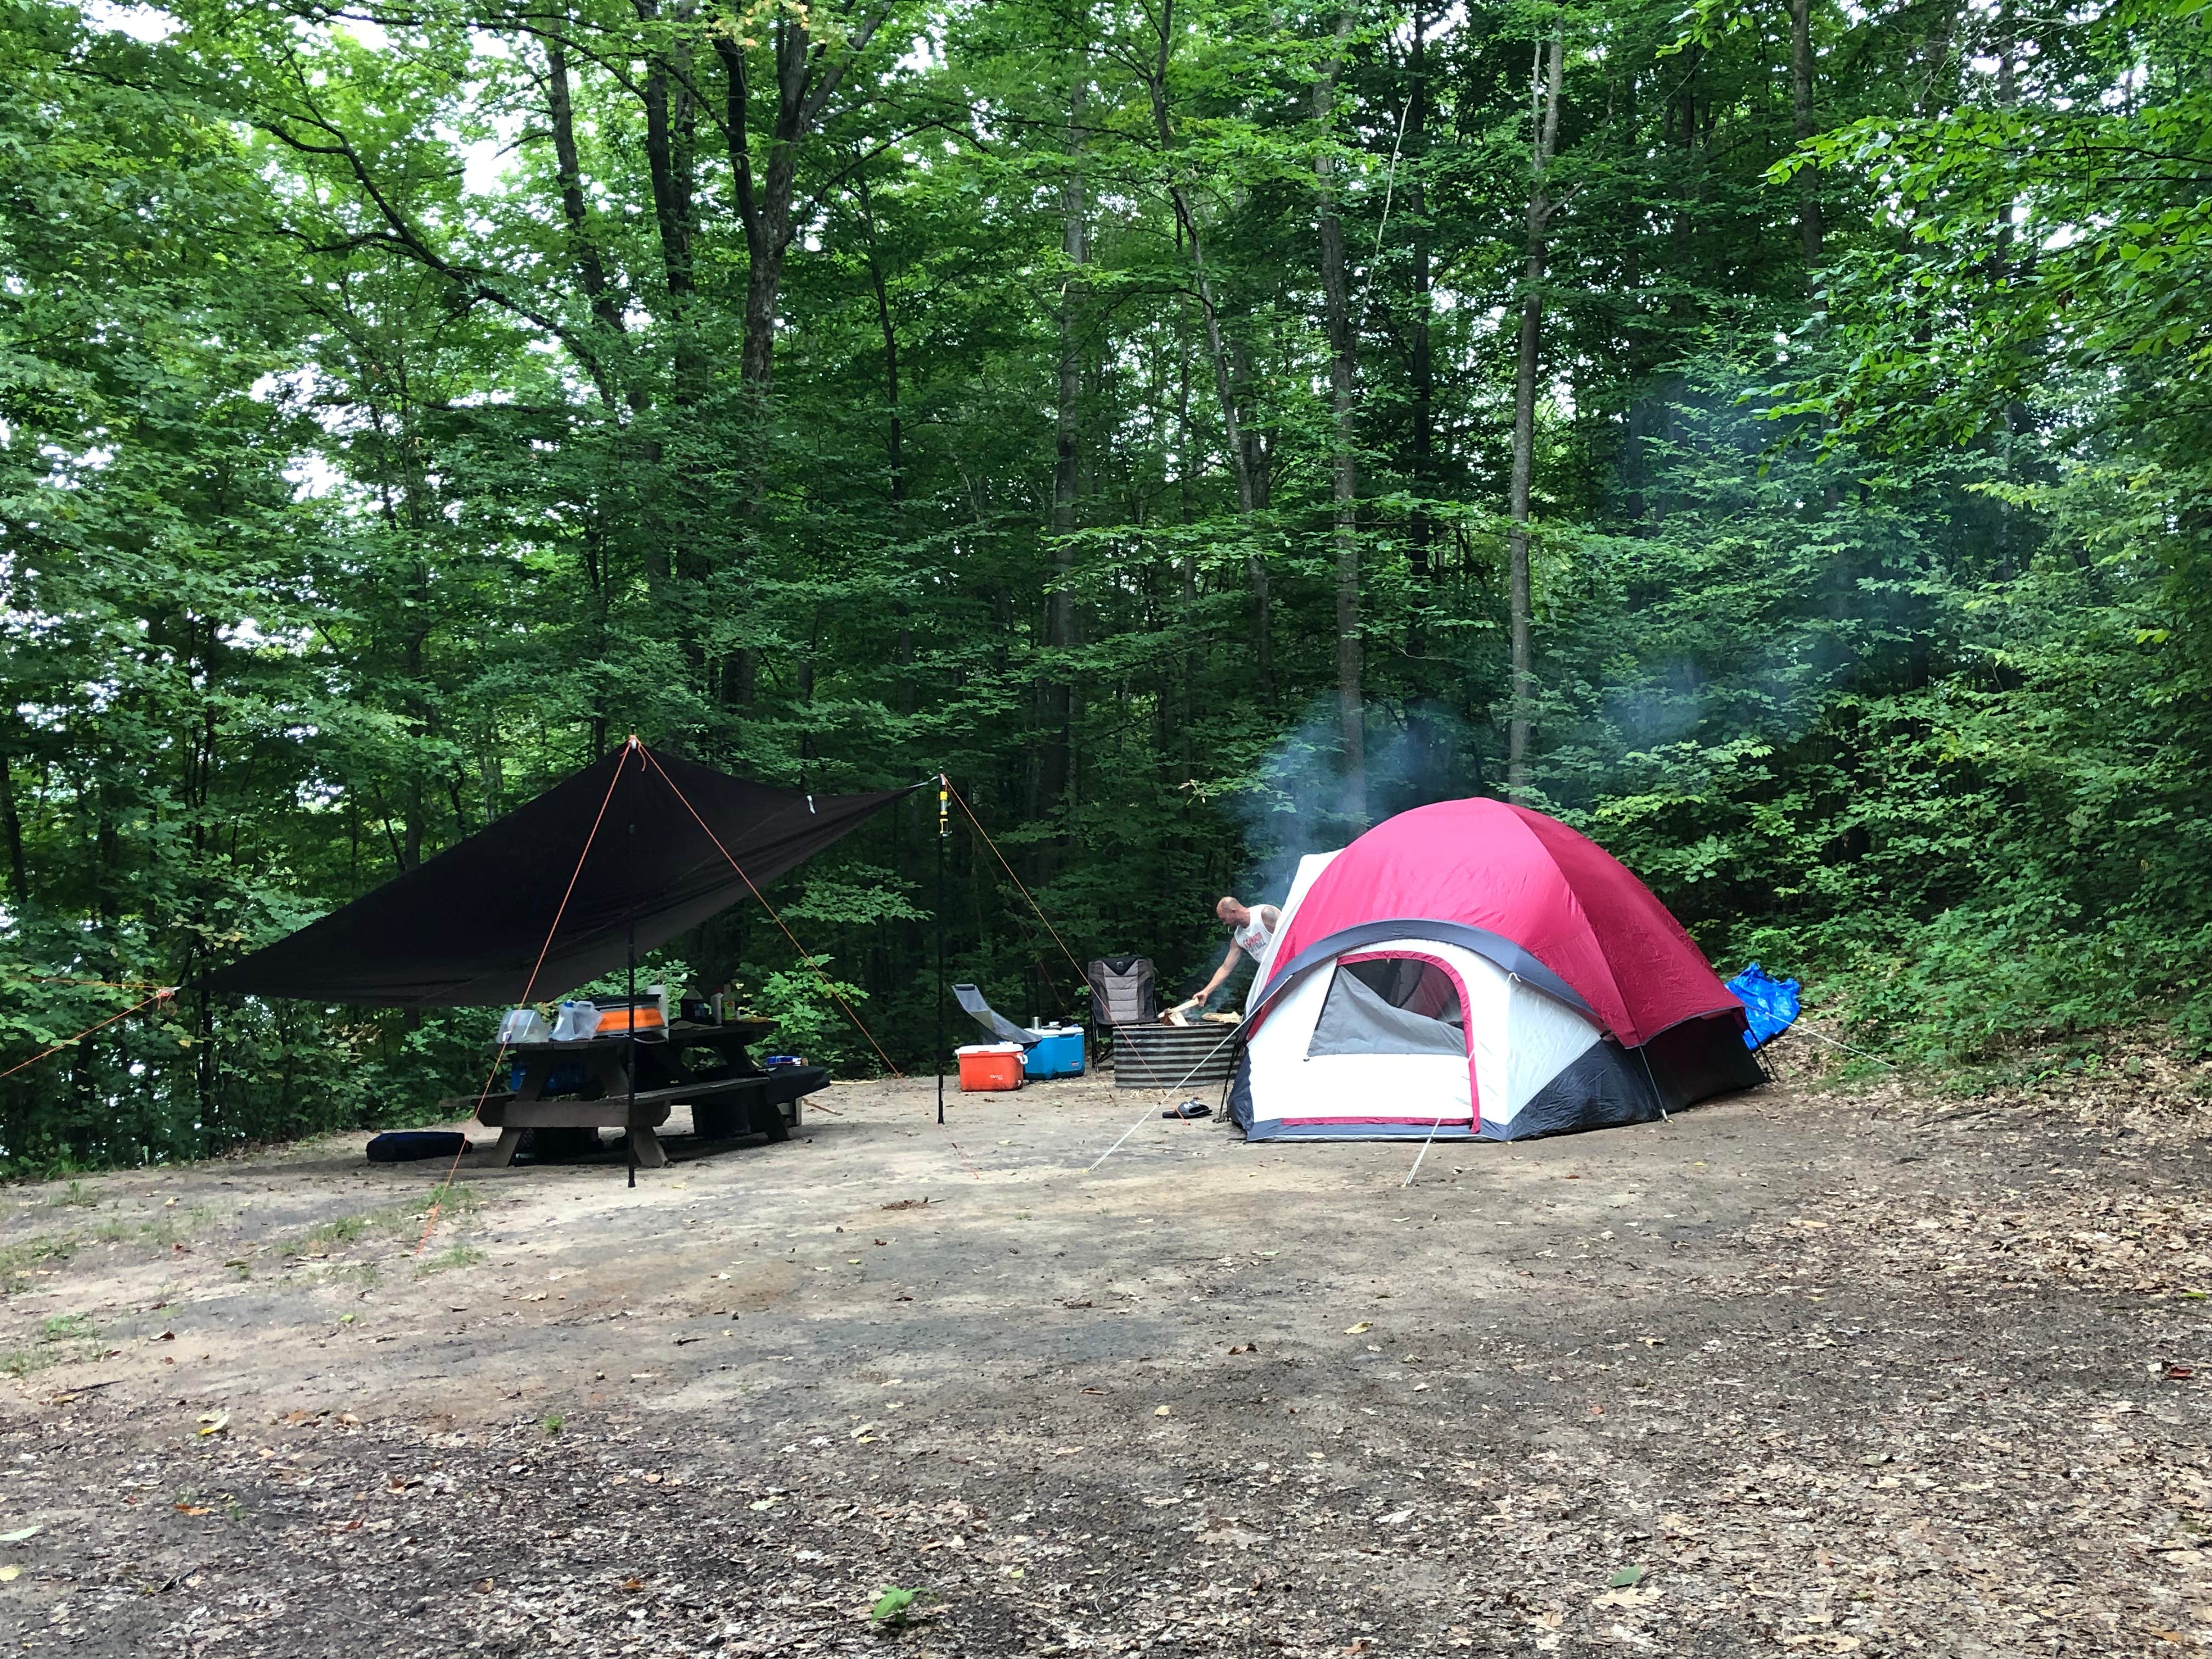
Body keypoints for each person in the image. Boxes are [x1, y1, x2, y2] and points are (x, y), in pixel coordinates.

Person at [1166, 895, 1280, 1021]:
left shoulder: (1264, 914)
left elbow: (1294, 933)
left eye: (1224, 919)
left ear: (1233, 911)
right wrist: (1206, 991)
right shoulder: (1238, 938)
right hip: (1271, 974)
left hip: (1289, 965)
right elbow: (1226, 968)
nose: (1224, 923)